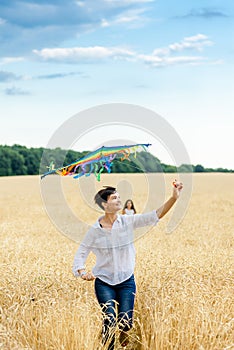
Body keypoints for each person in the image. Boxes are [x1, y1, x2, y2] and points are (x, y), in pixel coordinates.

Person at [72, 181, 183, 349]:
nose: (119, 200)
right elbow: (81, 253)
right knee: (109, 319)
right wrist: (82, 272)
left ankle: (124, 336)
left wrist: (173, 198)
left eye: (118, 197)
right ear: (104, 204)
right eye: (114, 197)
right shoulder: (94, 230)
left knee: (126, 322)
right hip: (104, 281)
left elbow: (155, 215)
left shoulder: (127, 222)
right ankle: (108, 346)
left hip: (126, 281)